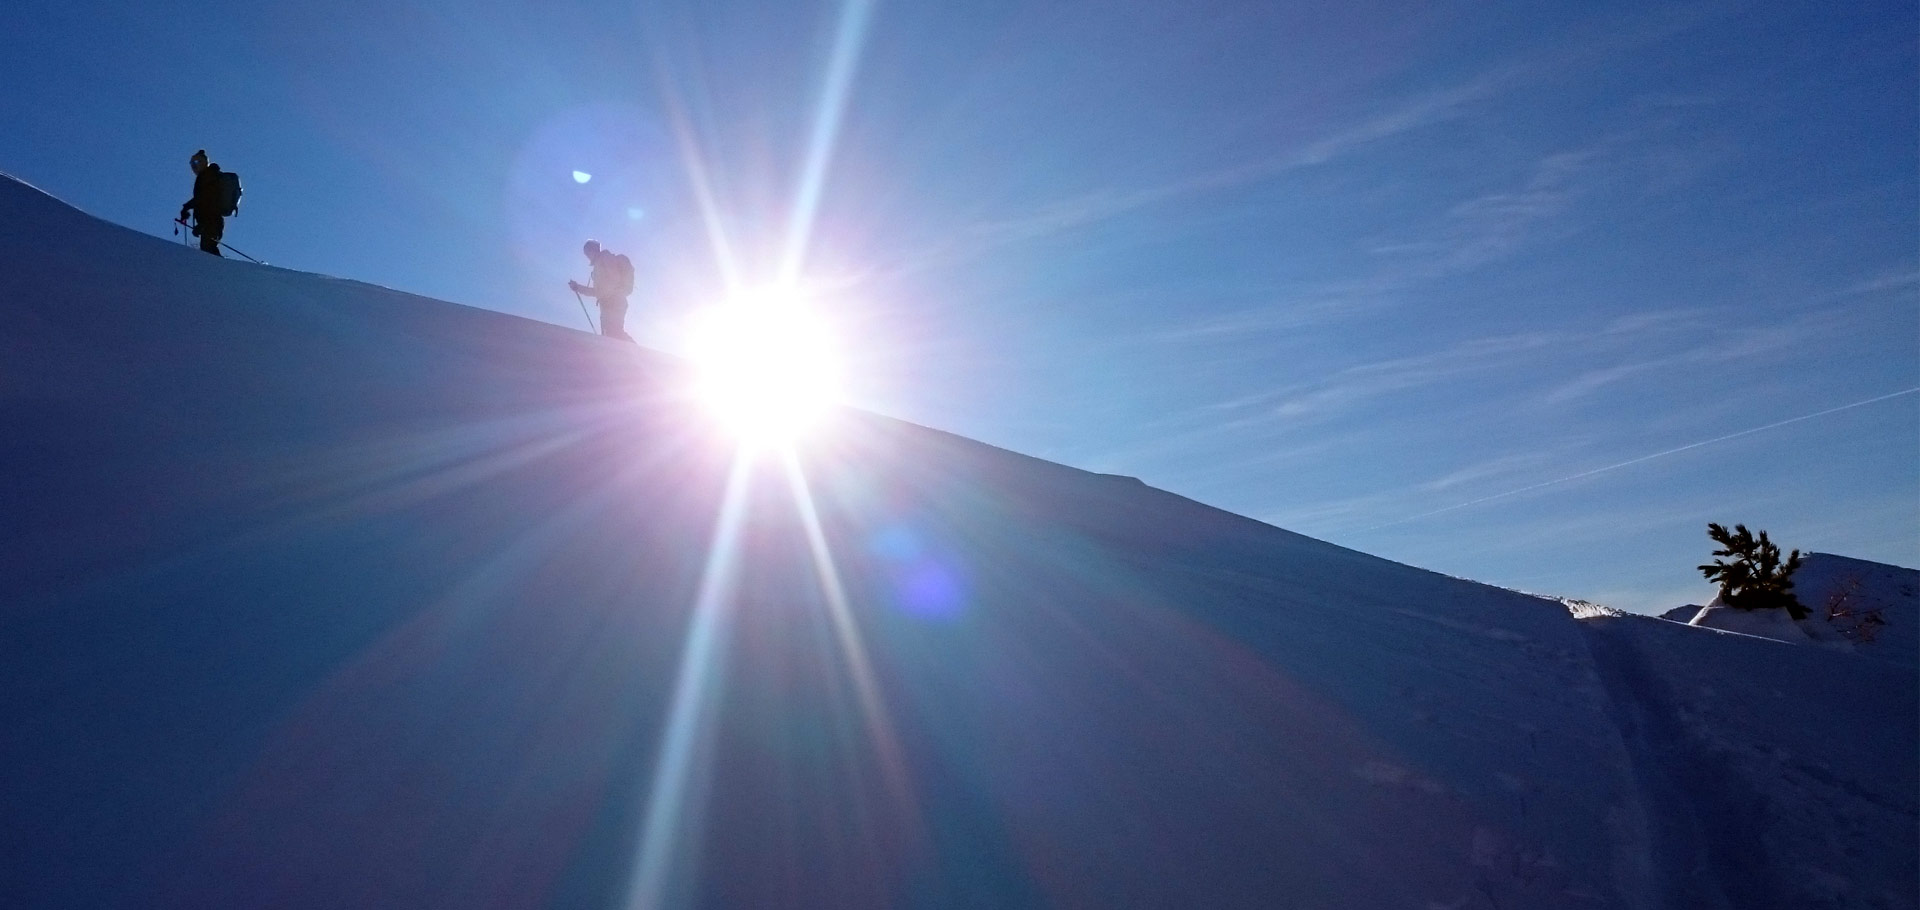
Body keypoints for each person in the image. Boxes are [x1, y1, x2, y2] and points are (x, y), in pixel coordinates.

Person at [568, 239, 635, 341]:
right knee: (609, 334)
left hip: (613, 300)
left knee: (614, 332)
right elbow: (597, 291)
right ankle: (627, 353)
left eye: (587, 252)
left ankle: (636, 352)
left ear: (592, 250)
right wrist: (578, 288)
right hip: (608, 301)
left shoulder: (605, 258)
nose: (587, 256)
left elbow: (614, 278)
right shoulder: (598, 266)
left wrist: (612, 294)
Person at [178, 150, 229, 256]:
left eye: (196, 163)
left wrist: (202, 224)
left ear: (203, 162)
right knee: (208, 248)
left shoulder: (208, 176)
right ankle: (221, 270)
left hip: (212, 221)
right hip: (212, 221)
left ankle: (222, 270)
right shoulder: (208, 176)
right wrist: (187, 207)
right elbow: (203, 199)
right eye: (191, 164)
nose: (193, 167)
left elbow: (206, 199)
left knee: (208, 249)